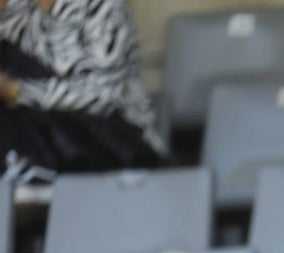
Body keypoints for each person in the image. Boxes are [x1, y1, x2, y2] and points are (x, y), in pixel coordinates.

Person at [0, 0, 166, 176]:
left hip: (116, 146)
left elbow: (99, 96)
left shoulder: (103, 8)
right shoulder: (19, 11)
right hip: (40, 143)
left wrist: (16, 90)